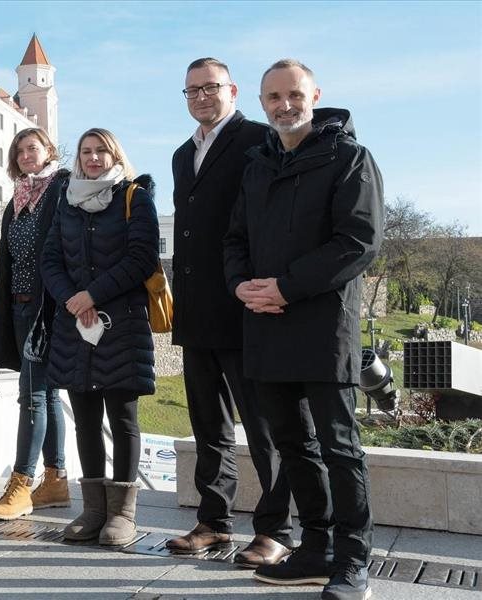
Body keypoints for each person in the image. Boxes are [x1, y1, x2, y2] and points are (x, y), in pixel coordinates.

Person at [226, 59, 382, 600]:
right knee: (293, 444)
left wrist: (287, 287)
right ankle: (315, 549)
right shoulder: (256, 166)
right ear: (262, 103)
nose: (283, 104)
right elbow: (235, 240)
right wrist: (241, 285)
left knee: (340, 447)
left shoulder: (349, 158)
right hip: (266, 325)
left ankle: (353, 561)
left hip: (322, 327)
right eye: (273, 97)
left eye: (293, 94)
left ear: (314, 95)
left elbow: (358, 241)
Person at [167, 58, 293, 566]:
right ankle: (214, 521)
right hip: (196, 308)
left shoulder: (258, 139)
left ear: (233, 90)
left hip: (244, 306)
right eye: (191, 90)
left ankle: (275, 528)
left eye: (209, 87)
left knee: (263, 426)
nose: (200, 96)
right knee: (208, 425)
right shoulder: (182, 154)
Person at [41, 128, 158, 546]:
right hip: (75, 325)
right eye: (86, 152)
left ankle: (123, 514)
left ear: (114, 155)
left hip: (121, 324)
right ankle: (93, 511)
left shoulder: (135, 198)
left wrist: (94, 293)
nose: (93, 158)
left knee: (122, 420)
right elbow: (50, 258)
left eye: (101, 151)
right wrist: (72, 299)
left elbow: (142, 258)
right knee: (86, 420)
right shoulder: (65, 201)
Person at [0, 128, 71, 520]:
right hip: (17, 307)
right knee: (46, 394)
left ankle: (22, 482)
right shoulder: (17, 199)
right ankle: (57, 479)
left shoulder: (60, 189)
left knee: (31, 394)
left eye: (32, 148)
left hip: (45, 309)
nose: (26, 155)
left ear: (48, 150)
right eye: (19, 151)